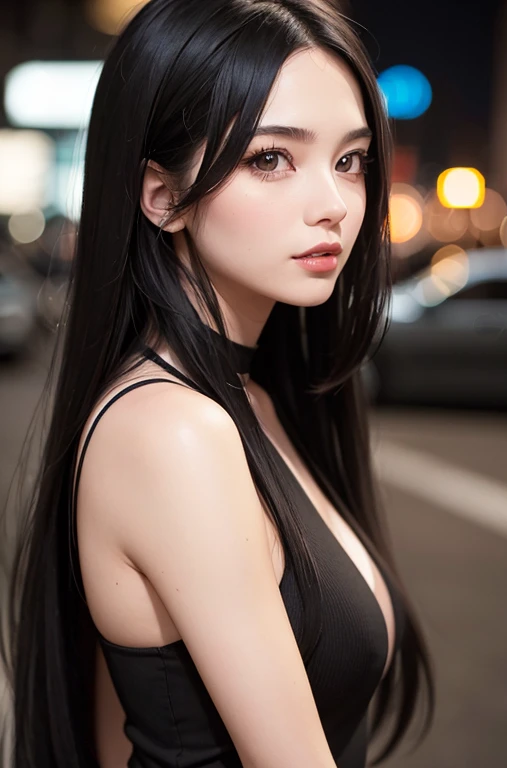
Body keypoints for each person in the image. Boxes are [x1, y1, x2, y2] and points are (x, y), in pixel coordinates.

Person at [3, 1, 434, 766]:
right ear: (161, 195)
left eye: (351, 160)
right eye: (271, 158)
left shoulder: (247, 402)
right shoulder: (171, 431)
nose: (334, 204)